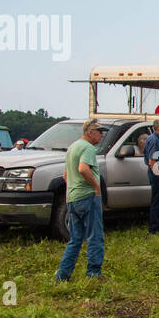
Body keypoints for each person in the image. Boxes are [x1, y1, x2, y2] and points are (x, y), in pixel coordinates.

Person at [53, 119, 106, 282]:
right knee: (95, 236)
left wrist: (73, 189)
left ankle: (63, 275)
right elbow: (83, 169)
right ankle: (93, 273)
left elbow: (65, 175)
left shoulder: (73, 147)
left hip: (72, 198)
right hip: (88, 197)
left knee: (75, 239)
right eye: (99, 132)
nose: (102, 135)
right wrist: (96, 187)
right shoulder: (88, 148)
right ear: (90, 132)